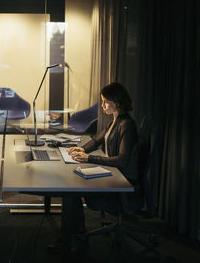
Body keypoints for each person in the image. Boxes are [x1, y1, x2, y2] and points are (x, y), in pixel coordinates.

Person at [50, 82, 140, 255]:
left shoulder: (126, 125)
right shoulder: (115, 121)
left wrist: (89, 158)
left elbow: (122, 160)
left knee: (71, 193)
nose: (103, 105)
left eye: (107, 101)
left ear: (118, 102)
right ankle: (77, 234)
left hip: (122, 183)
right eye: (103, 101)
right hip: (114, 175)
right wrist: (82, 149)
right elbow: (97, 140)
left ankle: (71, 240)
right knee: (71, 189)